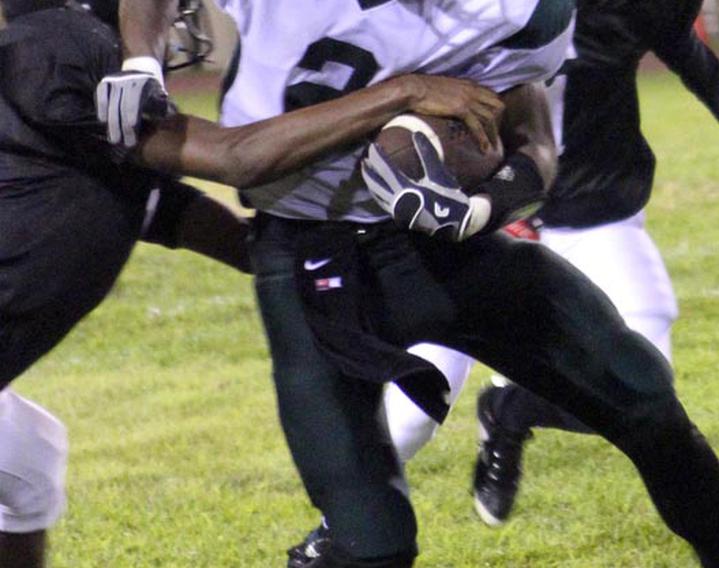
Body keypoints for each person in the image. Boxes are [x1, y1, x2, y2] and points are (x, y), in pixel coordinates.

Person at [104, 1, 719, 567]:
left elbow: (534, 138)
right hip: (311, 258)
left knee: (644, 400)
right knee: (374, 544)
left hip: (446, 247)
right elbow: (239, 161)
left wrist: (484, 206)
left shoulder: (526, 11)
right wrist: (140, 60)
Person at [0, 1, 500, 567]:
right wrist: (402, 92)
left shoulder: (67, 106)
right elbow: (233, 158)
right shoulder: (61, 43)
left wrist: (322, 256)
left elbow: (167, 210)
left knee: (29, 457)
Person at [373, 0, 719, 530]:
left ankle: (511, 412)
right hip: (477, 227)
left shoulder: (633, 8)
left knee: (647, 384)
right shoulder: (476, 10)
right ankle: (338, 534)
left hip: (596, 219)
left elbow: (706, 74)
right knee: (412, 414)